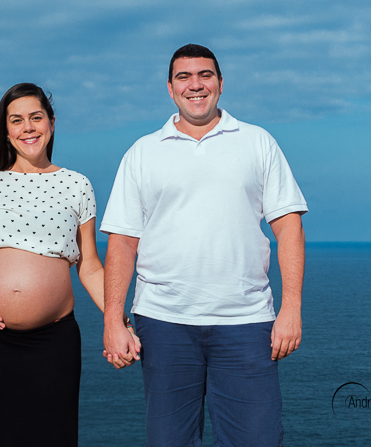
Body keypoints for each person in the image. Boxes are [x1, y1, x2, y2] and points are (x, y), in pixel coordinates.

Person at [100, 44, 307, 447]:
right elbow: (122, 243)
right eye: (184, 77)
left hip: (246, 322)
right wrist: (112, 319)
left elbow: (289, 228)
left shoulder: (258, 142)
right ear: (170, 88)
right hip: (163, 322)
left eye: (205, 75)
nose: (196, 85)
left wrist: (292, 308)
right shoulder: (143, 152)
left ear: (221, 84)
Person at [0, 82, 140, 447]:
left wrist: (118, 322)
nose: (28, 127)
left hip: (52, 347)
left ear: (51, 123)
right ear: (6, 131)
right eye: (17, 120)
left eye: (36, 118)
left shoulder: (76, 185)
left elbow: (89, 266)